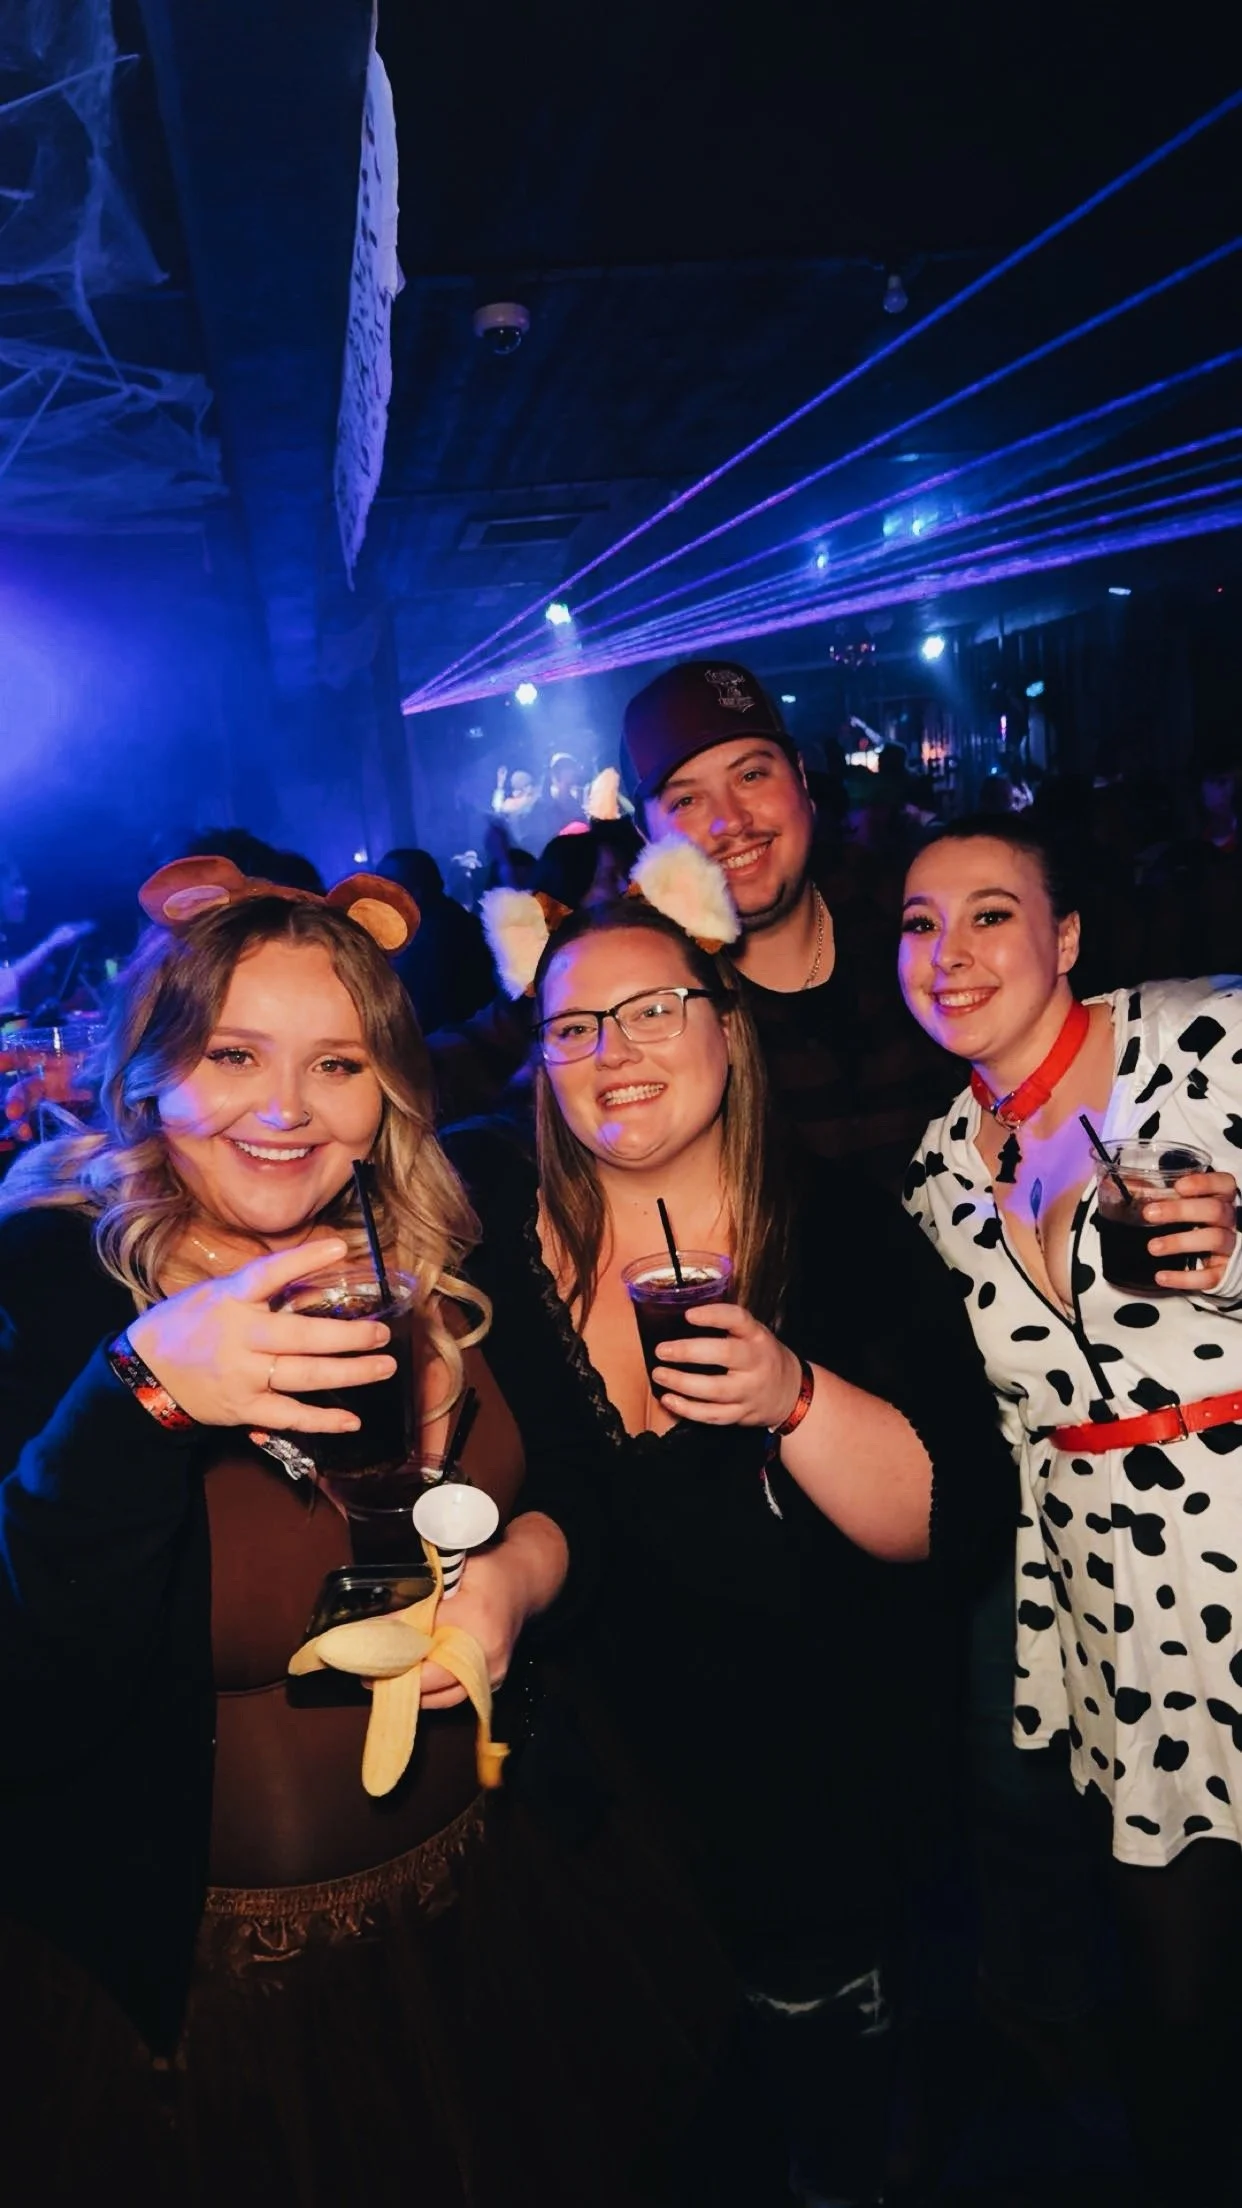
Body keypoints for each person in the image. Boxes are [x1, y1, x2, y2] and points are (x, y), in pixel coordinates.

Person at [0, 852, 728, 2207]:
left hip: (501, 1911)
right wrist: (142, 1395)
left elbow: (579, 1484)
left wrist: (518, 1577)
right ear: (151, 1070)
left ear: (386, 1085)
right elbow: (30, 1679)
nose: (285, 1109)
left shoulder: (444, 1240)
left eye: (335, 1063)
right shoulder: (47, 1282)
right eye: (232, 1054)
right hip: (204, 2014)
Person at [447, 835, 1015, 2204]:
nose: (614, 1050)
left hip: (816, 1810)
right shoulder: (490, 1233)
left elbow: (950, 1523)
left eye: (653, 1009)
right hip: (597, 1823)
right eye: (574, 1026)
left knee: (830, 2136)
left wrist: (793, 1394)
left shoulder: (840, 1235)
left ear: (727, 1025)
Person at [898, 813, 1242, 2201]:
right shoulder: (938, 1170)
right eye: (920, 924)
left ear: (1068, 936)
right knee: (1176, 1973)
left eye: (991, 913)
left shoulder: (1205, 1039)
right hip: (1112, 1596)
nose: (951, 952)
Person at [619, 658, 955, 1191]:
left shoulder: (914, 915)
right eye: (686, 800)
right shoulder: (633, 987)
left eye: (751, 775)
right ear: (646, 837)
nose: (731, 821)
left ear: (800, 778)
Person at [376, 846, 497, 1035]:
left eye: (385, 885)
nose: (376, 893)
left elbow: (425, 1016)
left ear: (415, 892)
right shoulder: (451, 920)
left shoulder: (436, 937)